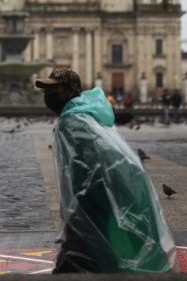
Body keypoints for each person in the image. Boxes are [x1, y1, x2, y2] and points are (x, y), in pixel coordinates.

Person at [35, 68, 176, 273]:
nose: (47, 95)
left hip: (95, 201)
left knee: (83, 260)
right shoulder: (84, 116)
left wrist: (77, 215)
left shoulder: (72, 122)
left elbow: (86, 173)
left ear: (70, 91)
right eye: (46, 90)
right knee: (96, 257)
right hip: (108, 197)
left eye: (53, 89)